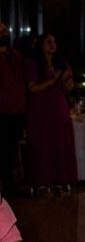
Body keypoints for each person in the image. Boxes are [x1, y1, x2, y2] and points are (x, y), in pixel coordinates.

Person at [24, 34, 77, 193]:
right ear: (41, 45)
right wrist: (52, 80)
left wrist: (67, 80)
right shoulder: (33, 64)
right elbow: (32, 88)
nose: (52, 45)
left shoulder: (61, 63)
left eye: (54, 42)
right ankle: (41, 180)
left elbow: (68, 88)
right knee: (43, 143)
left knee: (60, 142)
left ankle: (62, 179)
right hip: (41, 107)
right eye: (48, 42)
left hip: (59, 106)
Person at [0, 22, 28, 194]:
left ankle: (12, 184)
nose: (3, 34)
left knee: (12, 149)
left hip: (16, 110)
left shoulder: (16, 56)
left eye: (4, 30)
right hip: (1, 110)